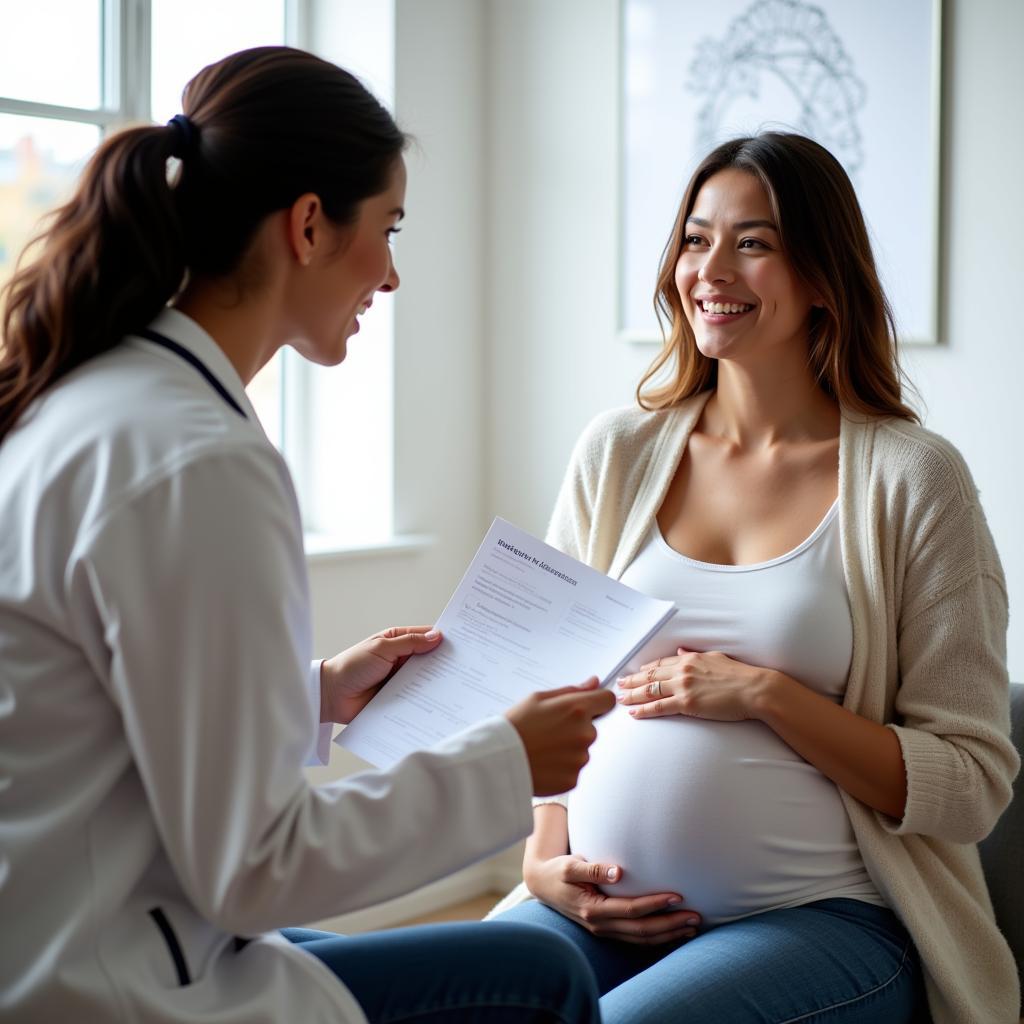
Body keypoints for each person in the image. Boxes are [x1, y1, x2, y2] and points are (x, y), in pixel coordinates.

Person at [0, 46, 614, 1024]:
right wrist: (506, 762)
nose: (394, 274)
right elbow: (254, 868)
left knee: (329, 952)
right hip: (88, 982)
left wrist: (311, 694)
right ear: (310, 224)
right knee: (543, 979)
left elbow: (92, 701)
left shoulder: (85, 400)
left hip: (58, 926)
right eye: (390, 227)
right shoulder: (199, 462)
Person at [492, 133, 1020, 1023]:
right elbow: (554, 679)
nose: (711, 270)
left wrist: (767, 693)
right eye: (696, 239)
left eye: (754, 242)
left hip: (829, 921)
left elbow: (970, 782)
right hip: (600, 911)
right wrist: (544, 862)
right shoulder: (617, 452)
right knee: (441, 1004)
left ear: (822, 273)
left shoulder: (912, 478)